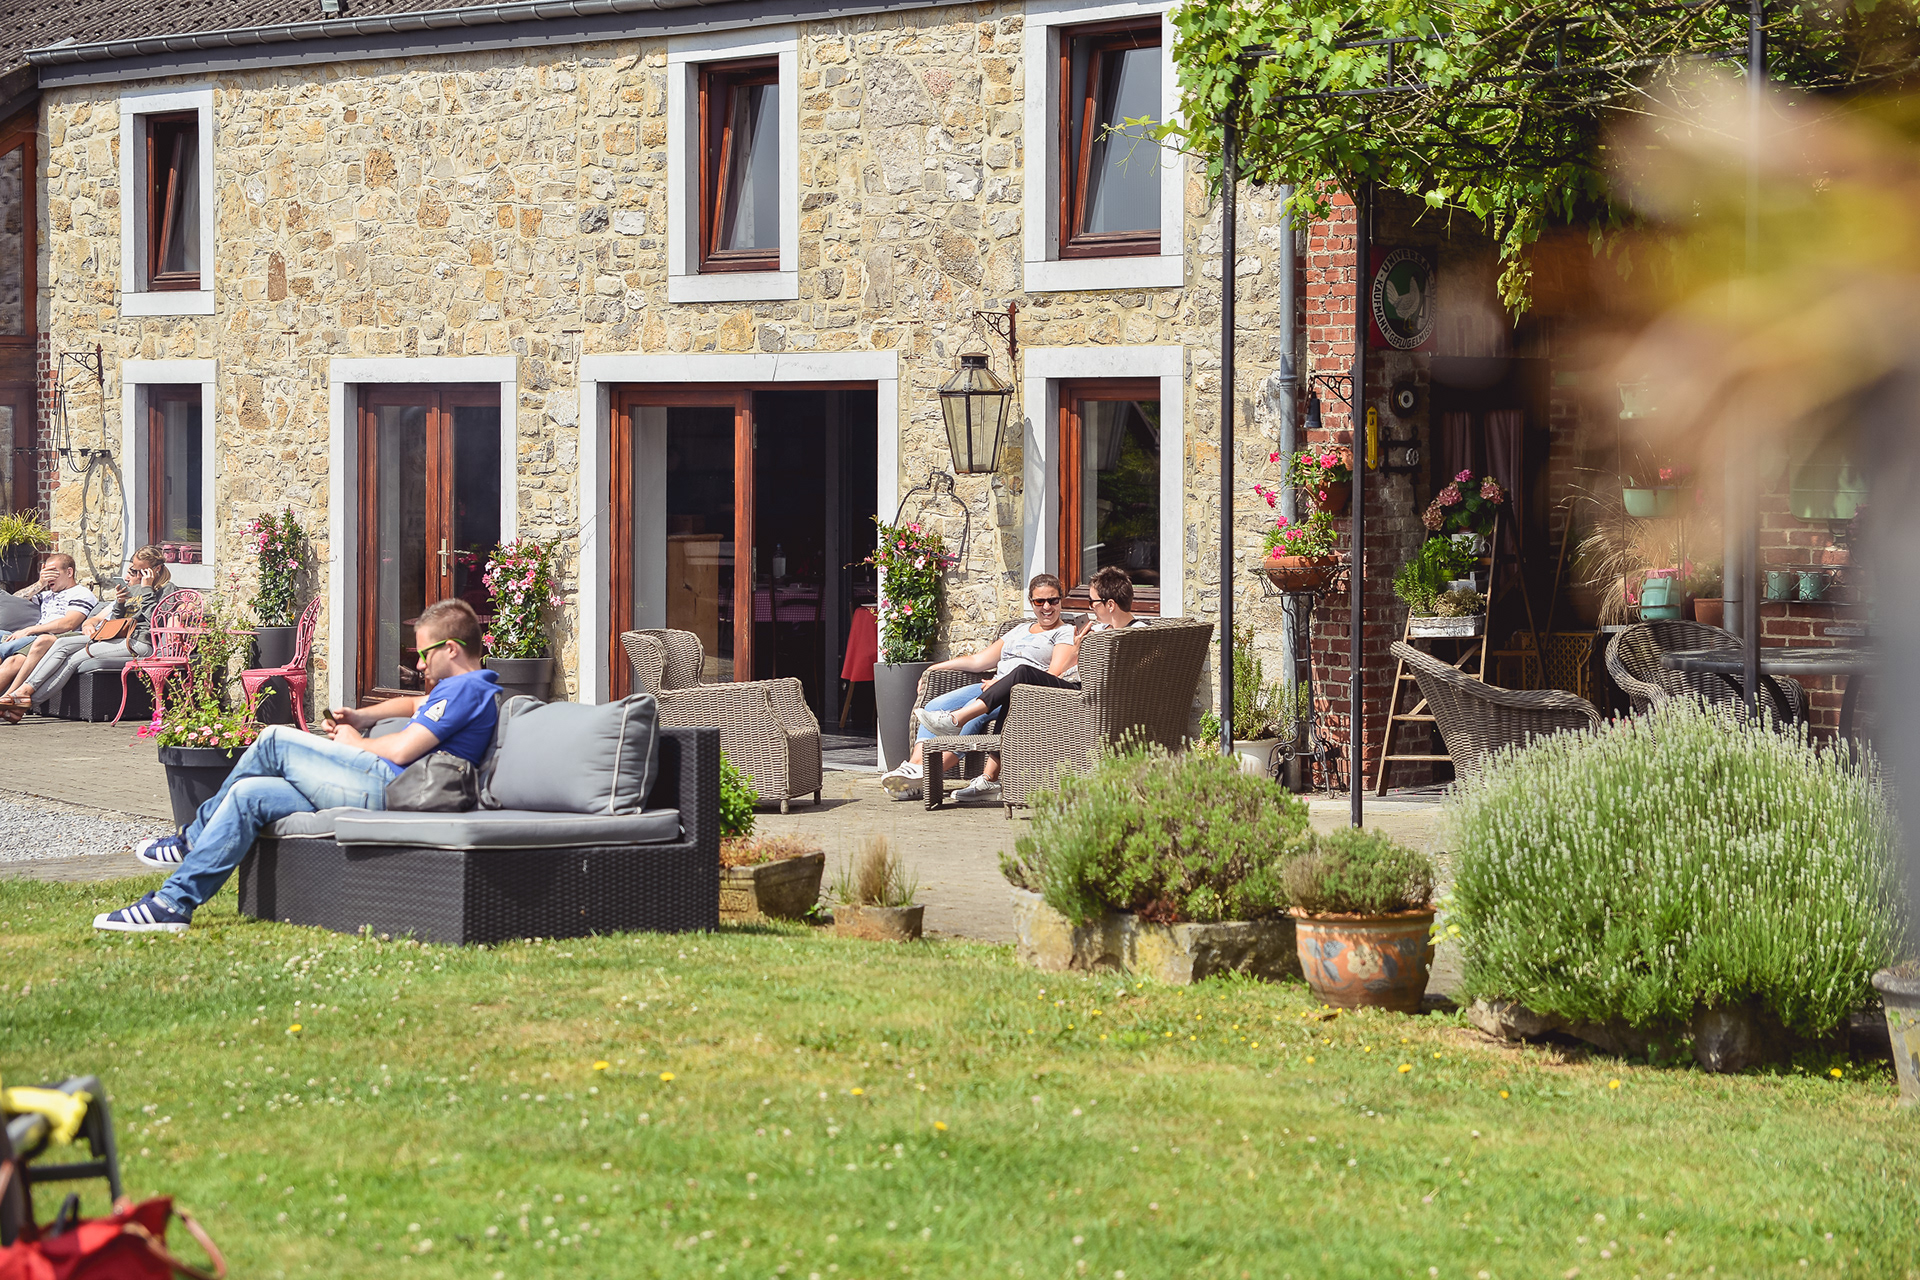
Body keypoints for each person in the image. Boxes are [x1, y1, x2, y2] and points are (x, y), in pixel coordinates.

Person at [93, 599, 503, 934]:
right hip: (381, 785)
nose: (419, 665)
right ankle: (173, 904)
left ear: (451, 649)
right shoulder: (458, 689)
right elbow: (414, 704)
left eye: (424, 654)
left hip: (392, 788)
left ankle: (191, 839)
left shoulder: (467, 688)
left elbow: (401, 750)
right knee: (249, 794)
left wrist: (358, 741)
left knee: (274, 740)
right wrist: (362, 716)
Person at [879, 573, 1077, 803]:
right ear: (1031, 602)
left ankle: (927, 775)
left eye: (1053, 600)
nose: (1047, 607)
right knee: (935, 705)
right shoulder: (1020, 630)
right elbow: (978, 661)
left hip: (1017, 693)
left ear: (1061, 600)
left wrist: (1002, 683)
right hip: (990, 687)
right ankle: (914, 768)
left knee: (971, 720)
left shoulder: (1064, 632)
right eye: (1040, 601)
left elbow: (1053, 674)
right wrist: (936, 667)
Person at [915, 566, 1149, 741]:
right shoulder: (1097, 629)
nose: (1090, 607)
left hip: (1088, 696)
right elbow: (1068, 667)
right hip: (1073, 687)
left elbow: (1128, 674)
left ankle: (957, 719)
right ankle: (986, 777)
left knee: (1021, 674)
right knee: (1015, 688)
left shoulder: (1138, 634)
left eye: (1093, 602)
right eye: (1039, 601)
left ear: (1110, 605)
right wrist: (1078, 650)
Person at [0, 548, 172, 719]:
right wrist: (119, 604)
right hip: (118, 638)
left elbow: (156, 621)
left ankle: (22, 699)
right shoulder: (135, 588)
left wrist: (147, 589)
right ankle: (21, 698)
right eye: (133, 570)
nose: (134, 575)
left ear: (156, 569)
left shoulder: (167, 590)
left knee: (72, 660)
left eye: (139, 571)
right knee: (61, 644)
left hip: (140, 643)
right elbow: (116, 622)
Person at [0, 554, 96, 664]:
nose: (48, 577)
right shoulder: (47, 595)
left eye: (52, 572)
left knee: (5, 649)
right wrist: (40, 583)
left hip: (46, 639)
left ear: (69, 572)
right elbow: (14, 601)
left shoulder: (81, 593)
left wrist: (29, 630)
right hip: (31, 635)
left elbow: (68, 624)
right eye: (46, 573)